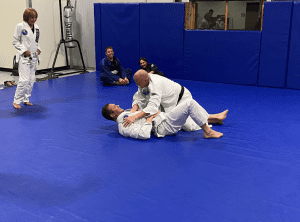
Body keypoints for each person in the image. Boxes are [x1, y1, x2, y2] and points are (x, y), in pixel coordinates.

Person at [124, 69, 214, 132]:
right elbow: (139, 96)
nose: (136, 84)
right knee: (179, 120)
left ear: (144, 80)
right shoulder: (144, 81)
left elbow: (152, 107)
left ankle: (210, 119)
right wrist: (135, 107)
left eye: (137, 82)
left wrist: (134, 117)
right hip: (168, 102)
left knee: (187, 126)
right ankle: (213, 117)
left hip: (181, 98)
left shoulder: (156, 84)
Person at [101, 100, 227, 140]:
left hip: (162, 118)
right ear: (112, 115)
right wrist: (149, 119)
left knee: (188, 122)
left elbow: (138, 111)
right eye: (115, 107)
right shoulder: (123, 125)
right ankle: (207, 132)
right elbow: (143, 134)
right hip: (161, 126)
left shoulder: (127, 114)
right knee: (188, 104)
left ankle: (214, 118)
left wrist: (149, 113)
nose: (118, 106)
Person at [12, 8, 41, 109]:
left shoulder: (36, 27)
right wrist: (24, 50)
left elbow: (36, 41)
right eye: (32, 17)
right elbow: (15, 41)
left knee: (31, 80)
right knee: (23, 80)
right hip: (24, 58)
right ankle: (16, 101)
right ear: (26, 17)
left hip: (33, 58)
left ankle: (26, 99)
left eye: (35, 17)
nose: (34, 19)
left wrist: (39, 49)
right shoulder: (20, 26)